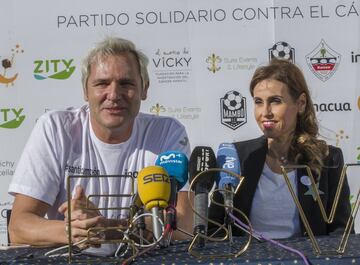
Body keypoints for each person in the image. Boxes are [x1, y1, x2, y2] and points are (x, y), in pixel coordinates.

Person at [8, 36, 193, 246]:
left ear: (145, 89)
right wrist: (75, 230)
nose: (114, 95)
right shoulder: (55, 128)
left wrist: (110, 229)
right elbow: (19, 227)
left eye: (126, 83)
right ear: (85, 91)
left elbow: (184, 226)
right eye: (102, 83)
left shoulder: (167, 132)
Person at [208, 59, 352, 239]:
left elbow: (342, 234)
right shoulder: (237, 156)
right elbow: (214, 230)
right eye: (258, 102)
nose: (265, 111)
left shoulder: (329, 158)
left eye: (275, 101)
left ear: (300, 103)